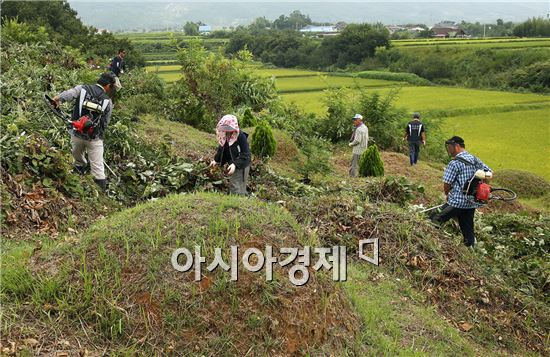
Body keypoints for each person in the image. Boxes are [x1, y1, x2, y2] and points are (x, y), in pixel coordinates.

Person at [52, 73, 116, 191]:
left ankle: (77, 181)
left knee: (77, 156)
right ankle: (100, 195)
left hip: (77, 134)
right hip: (94, 139)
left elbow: (68, 94)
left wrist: (57, 99)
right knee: (97, 167)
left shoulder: (82, 89)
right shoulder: (108, 101)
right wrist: (98, 136)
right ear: (108, 86)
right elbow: (105, 123)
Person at [430, 136, 492, 247]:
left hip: (457, 202)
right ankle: (470, 250)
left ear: (457, 146)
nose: (448, 150)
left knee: (434, 219)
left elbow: (447, 184)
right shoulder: (475, 159)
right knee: (468, 230)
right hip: (471, 203)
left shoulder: (454, 163)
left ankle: (431, 244)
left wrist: (447, 194)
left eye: (449, 147)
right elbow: (489, 173)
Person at [210, 114, 251, 195]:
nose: (227, 130)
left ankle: (238, 203)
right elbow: (222, 149)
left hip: (242, 164)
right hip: (233, 163)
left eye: (229, 127)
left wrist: (235, 164)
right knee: (234, 184)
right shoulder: (225, 135)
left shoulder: (240, 136)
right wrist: (216, 160)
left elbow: (246, 154)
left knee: (236, 185)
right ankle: (238, 199)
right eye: (225, 127)